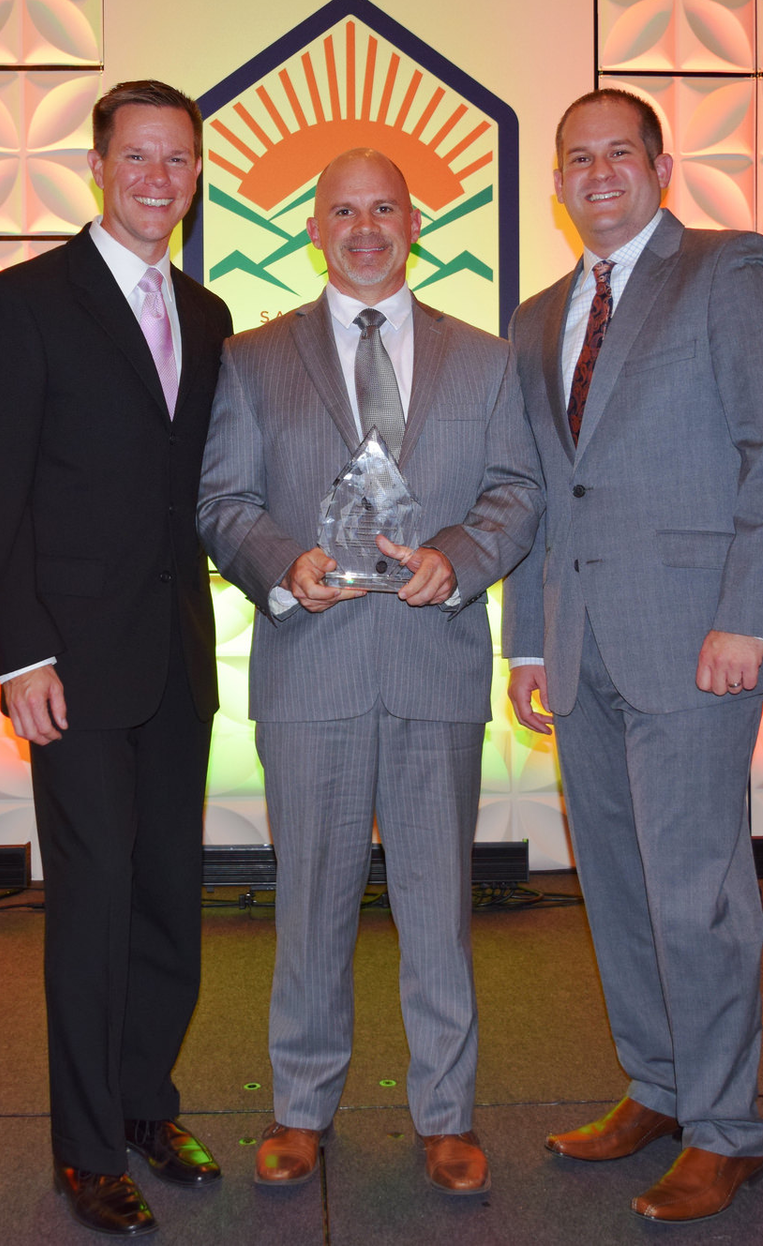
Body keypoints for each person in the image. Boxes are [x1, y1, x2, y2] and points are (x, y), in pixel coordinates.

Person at [502, 88, 763, 1223]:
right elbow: (540, 493)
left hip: (701, 642)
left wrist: (752, 613)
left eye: (617, 154)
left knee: (698, 893)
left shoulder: (729, 271)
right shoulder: (539, 315)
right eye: (576, 156)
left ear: (660, 166)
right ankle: (659, 1086)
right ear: (557, 182)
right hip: (580, 647)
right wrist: (529, 643)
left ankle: (729, 1127)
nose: (598, 173)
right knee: (621, 887)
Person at [198, 149, 540, 1196]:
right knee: (309, 903)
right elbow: (221, 500)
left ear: (412, 220)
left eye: (382, 207)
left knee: (439, 903)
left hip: (435, 664)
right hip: (312, 665)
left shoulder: (484, 359)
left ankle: (446, 1112)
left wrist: (463, 555)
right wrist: (280, 566)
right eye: (342, 209)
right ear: (313, 226)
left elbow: (518, 491)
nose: (364, 226)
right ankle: (301, 1107)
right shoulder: (249, 358)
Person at [0, 79, 234, 1238]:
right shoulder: (24, 302)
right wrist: (20, 653)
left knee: (169, 891)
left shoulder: (208, 316)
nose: (158, 179)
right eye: (138, 158)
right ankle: (83, 1145)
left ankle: (145, 1101)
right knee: (93, 899)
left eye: (178, 161)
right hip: (69, 667)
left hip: (176, 659)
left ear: (197, 176)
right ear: (99, 167)